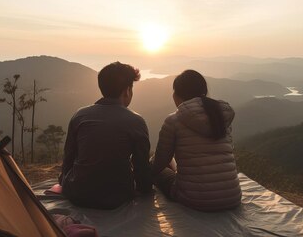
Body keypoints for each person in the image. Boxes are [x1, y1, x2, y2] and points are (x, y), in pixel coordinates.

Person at [60, 62, 152, 209]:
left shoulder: (80, 115)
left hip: (77, 193)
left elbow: (68, 158)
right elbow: (141, 167)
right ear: (127, 91)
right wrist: (146, 190)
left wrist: (65, 181)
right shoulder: (136, 121)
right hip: (118, 196)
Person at [151, 70, 241, 211]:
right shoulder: (221, 118)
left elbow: (159, 163)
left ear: (177, 95)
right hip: (232, 197)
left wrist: (145, 168)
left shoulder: (173, 121)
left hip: (193, 199)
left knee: (160, 173)